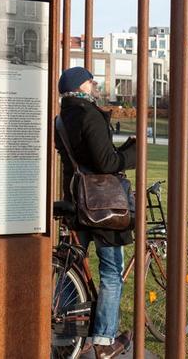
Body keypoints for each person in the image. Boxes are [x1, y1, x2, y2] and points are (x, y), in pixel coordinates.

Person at [55, 67, 136, 359]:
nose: (95, 85)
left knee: (72, 269)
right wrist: (133, 153)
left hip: (76, 203)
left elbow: (84, 158)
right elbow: (105, 162)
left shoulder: (62, 119)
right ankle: (103, 341)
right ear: (81, 86)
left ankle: (67, 333)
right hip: (101, 207)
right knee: (112, 272)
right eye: (91, 81)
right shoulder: (89, 114)